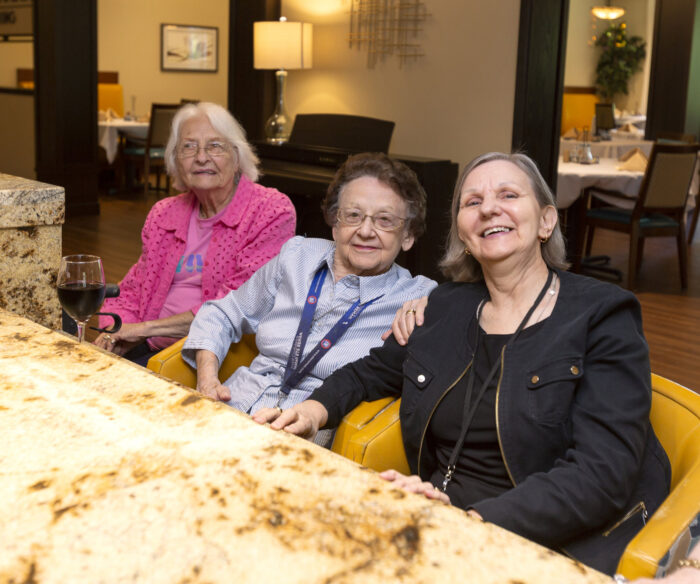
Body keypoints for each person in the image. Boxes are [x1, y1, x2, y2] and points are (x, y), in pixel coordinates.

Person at [254, 152, 671, 575]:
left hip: (548, 538)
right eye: (472, 202)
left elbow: (601, 474)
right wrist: (312, 411)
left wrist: (472, 520)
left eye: (508, 194)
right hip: (441, 514)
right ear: (462, 231)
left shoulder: (603, 314)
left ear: (547, 221)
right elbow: (372, 371)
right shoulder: (444, 306)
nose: (489, 207)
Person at [182, 152, 437, 446]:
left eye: (385, 221)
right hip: (230, 406)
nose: (366, 231)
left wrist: (432, 307)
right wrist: (207, 379)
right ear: (334, 222)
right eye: (353, 215)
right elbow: (223, 313)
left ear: (408, 236)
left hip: (305, 434)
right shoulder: (297, 256)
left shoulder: (418, 297)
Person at [94, 102, 296, 365]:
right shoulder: (164, 213)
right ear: (176, 160)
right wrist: (114, 333)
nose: (201, 157)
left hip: (214, 354)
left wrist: (143, 330)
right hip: (149, 344)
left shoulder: (269, 211)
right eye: (189, 146)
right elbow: (134, 288)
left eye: (215, 146)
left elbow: (236, 305)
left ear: (237, 158)